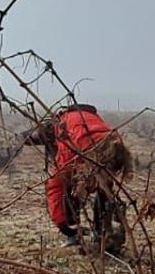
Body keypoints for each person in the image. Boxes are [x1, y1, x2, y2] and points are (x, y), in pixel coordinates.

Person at [28, 103, 132, 247]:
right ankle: (78, 233)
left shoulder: (113, 147)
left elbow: (56, 186)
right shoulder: (70, 150)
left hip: (83, 136)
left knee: (102, 187)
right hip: (75, 136)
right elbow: (57, 185)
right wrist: (64, 225)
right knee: (71, 185)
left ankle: (101, 234)